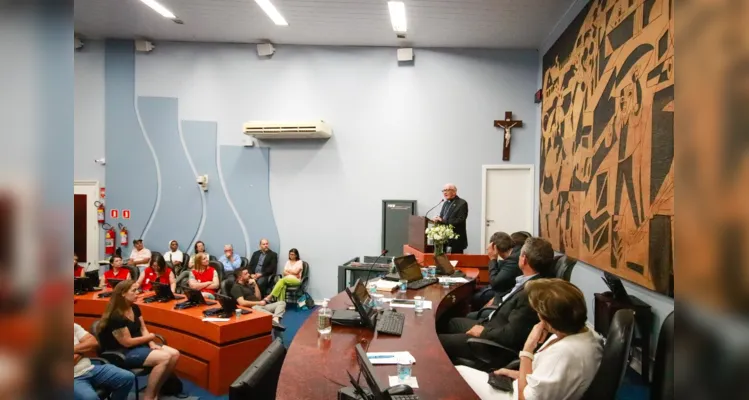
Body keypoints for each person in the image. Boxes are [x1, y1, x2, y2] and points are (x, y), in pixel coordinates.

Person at [455, 279, 603, 400]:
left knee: (457, 375)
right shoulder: (586, 334)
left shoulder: (563, 353)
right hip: (522, 386)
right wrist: (518, 375)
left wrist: (528, 349)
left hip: (515, 395)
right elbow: (550, 380)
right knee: (460, 372)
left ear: (547, 318)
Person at [438, 237, 554, 367]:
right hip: (493, 324)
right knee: (451, 323)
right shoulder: (529, 281)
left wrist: (483, 332)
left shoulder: (530, 292)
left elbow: (511, 335)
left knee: (438, 342)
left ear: (524, 259)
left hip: (493, 345)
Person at [96, 280, 180, 400]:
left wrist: (151, 343)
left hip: (138, 345)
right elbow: (127, 342)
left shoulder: (134, 307)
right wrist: (149, 337)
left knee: (175, 354)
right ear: (123, 294)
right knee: (165, 357)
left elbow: (143, 327)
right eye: (134, 290)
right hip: (122, 352)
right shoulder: (116, 316)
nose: (138, 293)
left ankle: (155, 390)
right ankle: (148, 397)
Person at [74, 323, 134, 400]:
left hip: (90, 368)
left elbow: (93, 342)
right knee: (90, 398)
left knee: (127, 377)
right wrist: (83, 350)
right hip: (74, 377)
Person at [471, 232, 523, 311]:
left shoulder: (513, 259)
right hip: (508, 289)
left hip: (507, 295)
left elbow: (495, 283)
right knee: (478, 291)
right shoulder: (516, 252)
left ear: (494, 248)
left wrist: (493, 259)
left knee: (476, 298)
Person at [434, 183, 469, 253]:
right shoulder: (445, 203)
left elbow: (460, 219)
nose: (445, 192)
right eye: (443, 190)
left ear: (454, 191)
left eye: (447, 190)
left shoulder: (462, 203)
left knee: (455, 262)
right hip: (444, 239)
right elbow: (442, 217)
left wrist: (443, 221)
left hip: (456, 240)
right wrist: (437, 219)